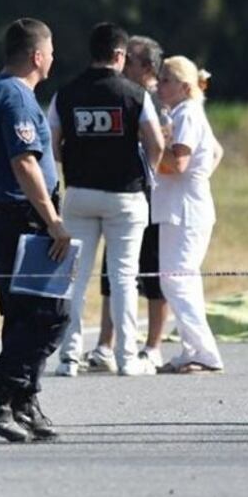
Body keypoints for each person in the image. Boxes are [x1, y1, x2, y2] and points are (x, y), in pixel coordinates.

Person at [0, 18, 71, 442]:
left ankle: (23, 399)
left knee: (23, 315)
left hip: (2, 215)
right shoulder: (15, 97)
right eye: (51, 51)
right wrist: (53, 220)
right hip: (19, 218)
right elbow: (25, 162)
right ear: (37, 55)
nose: (53, 59)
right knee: (51, 314)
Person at [50, 23, 165, 377]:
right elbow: (157, 143)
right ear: (118, 55)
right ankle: (127, 358)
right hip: (125, 196)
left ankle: (69, 358)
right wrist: (147, 174)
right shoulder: (135, 94)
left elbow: (51, 144)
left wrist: (71, 164)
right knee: (124, 278)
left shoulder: (65, 94)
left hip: (80, 194)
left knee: (74, 278)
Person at [94, 36, 170, 371]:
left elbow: (162, 143)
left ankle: (153, 346)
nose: (124, 67)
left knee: (152, 271)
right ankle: (105, 345)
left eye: (132, 61)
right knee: (113, 272)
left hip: (151, 196)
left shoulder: (157, 99)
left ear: (148, 67)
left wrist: (148, 176)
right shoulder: (121, 94)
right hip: (121, 194)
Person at [153, 56, 224, 373]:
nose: (159, 85)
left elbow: (178, 163)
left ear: (184, 86)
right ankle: (192, 349)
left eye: (166, 80)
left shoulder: (186, 114)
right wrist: (201, 176)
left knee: (177, 281)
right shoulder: (183, 113)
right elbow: (217, 151)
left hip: (185, 210)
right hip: (182, 207)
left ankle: (204, 352)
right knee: (180, 281)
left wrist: (150, 144)